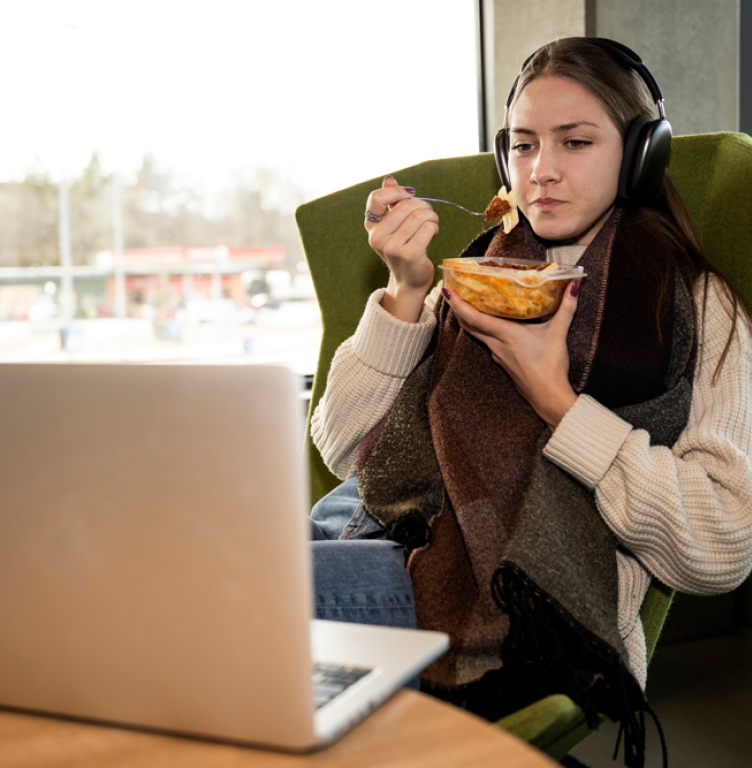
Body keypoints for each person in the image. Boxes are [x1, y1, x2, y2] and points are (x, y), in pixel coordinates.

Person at [309, 37, 752, 767]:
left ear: (642, 155)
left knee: (232, 593)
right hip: (373, 538)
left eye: (575, 142)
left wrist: (558, 402)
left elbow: (722, 546)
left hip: (511, 603)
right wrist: (406, 289)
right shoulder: (476, 278)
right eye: (522, 144)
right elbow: (339, 449)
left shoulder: (698, 308)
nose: (540, 170)